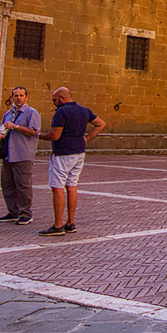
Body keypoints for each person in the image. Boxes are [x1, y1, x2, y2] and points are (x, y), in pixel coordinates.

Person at [36, 86, 105, 236]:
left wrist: (40, 135)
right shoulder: (84, 111)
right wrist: (87, 138)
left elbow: (55, 135)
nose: (53, 103)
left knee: (57, 187)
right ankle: (70, 222)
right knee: (72, 186)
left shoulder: (61, 112)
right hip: (79, 152)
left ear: (61, 98)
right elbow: (101, 124)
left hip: (62, 153)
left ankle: (58, 224)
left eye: (54, 100)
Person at [0, 87, 41, 225]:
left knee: (23, 185)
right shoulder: (8, 113)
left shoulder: (31, 113)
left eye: (21, 95)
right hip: (8, 154)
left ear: (26, 97)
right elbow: (5, 130)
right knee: (7, 184)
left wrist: (15, 127)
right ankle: (13, 211)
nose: (18, 98)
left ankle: (25, 213)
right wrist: (0, 134)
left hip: (23, 154)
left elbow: (34, 132)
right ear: (12, 97)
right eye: (16, 95)